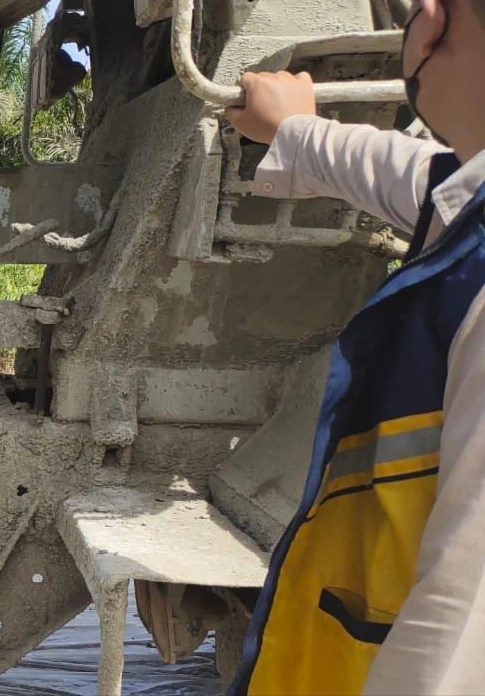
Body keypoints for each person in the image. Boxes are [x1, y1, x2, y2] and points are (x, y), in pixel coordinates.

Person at [222, 0, 485, 692]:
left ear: (433, 23)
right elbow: (414, 176)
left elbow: (461, 628)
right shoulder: (466, 201)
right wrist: (297, 132)